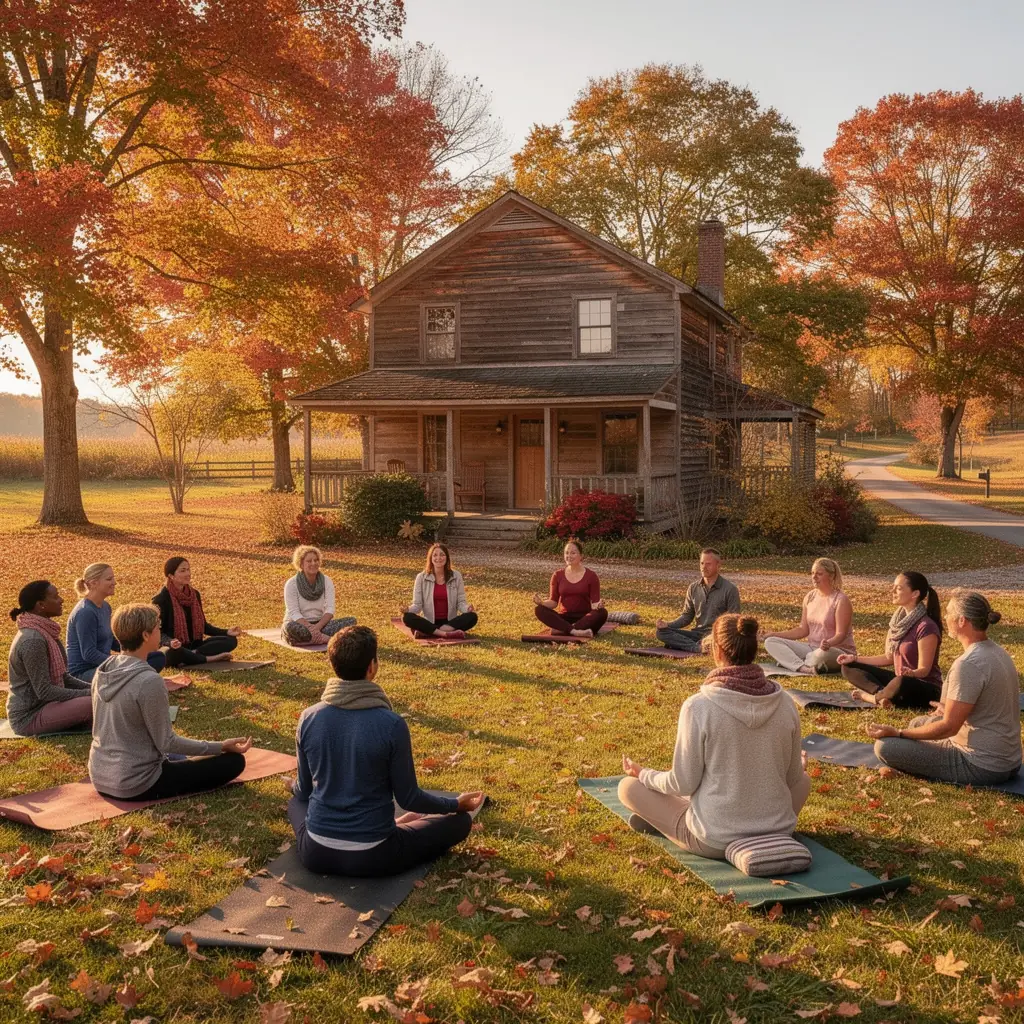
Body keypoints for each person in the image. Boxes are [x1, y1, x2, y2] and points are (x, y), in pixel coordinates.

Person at [287, 625, 483, 877]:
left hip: (315, 853)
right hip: (375, 855)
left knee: (296, 801)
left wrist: (291, 785)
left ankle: (394, 827)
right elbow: (409, 798)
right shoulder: (391, 724)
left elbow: (304, 790)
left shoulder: (308, 717)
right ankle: (397, 828)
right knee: (460, 821)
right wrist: (454, 804)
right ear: (372, 667)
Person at [618, 614, 811, 858]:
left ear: (717, 651)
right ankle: (659, 819)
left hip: (716, 839)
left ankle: (659, 819)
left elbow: (683, 784)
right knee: (804, 779)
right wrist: (799, 766)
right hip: (777, 829)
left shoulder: (699, 706)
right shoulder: (785, 703)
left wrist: (643, 774)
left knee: (628, 787)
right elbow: (794, 777)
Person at [89, 603, 251, 800]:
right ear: (145, 635)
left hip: (100, 774)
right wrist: (220, 746)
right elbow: (166, 742)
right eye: (157, 627)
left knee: (180, 757)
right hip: (137, 782)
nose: (160, 631)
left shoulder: (104, 669)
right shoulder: (148, 681)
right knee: (234, 762)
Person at [868, 591, 1021, 786]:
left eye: (949, 613)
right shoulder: (998, 651)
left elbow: (949, 727)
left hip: (981, 765)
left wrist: (898, 732)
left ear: (962, 621)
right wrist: (945, 708)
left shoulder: (968, 664)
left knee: (885, 747)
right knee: (918, 722)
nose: (945, 617)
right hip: (1009, 760)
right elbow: (986, 707)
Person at [837, 571, 943, 708]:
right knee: (848, 667)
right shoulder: (896, 623)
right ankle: (884, 697)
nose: (892, 591)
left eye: (898, 588)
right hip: (899, 680)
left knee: (900, 682)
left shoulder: (926, 627)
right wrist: (855, 659)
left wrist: (912, 673)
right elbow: (888, 658)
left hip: (923, 686)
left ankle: (872, 697)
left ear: (915, 594)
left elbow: (924, 670)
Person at [6, 581, 92, 736]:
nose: (61, 600)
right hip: (29, 716)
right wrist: (91, 694)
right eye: (55, 596)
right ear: (40, 605)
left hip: (48, 706)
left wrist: (93, 687)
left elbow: (63, 677)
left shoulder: (47, 632)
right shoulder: (33, 640)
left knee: (99, 698)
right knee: (95, 703)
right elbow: (45, 691)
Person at [66, 563, 166, 681]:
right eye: (109, 579)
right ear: (93, 583)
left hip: (105, 666)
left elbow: (112, 640)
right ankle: (138, 678)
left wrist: (136, 650)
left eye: (113, 578)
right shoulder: (85, 612)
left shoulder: (105, 607)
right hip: (85, 673)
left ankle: (138, 677)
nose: (114, 582)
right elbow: (89, 654)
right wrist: (120, 661)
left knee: (157, 657)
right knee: (136, 666)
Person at [763, 558, 856, 674]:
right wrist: (774, 634)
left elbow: (841, 635)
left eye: (819, 574)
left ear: (831, 576)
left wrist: (828, 643)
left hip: (835, 651)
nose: (814, 577)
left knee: (821, 655)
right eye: (812, 573)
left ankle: (793, 661)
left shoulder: (841, 600)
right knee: (771, 642)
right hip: (812, 649)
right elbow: (803, 630)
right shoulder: (810, 597)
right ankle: (803, 667)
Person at [153, 557, 242, 667]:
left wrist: (227, 632)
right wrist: (170, 642)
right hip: (175, 647)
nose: (188, 574)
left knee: (231, 641)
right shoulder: (161, 599)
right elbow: (157, 632)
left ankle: (192, 655)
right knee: (173, 652)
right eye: (182, 571)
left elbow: (204, 626)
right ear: (171, 576)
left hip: (196, 646)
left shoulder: (194, 595)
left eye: (188, 569)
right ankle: (209, 658)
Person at [655, 548, 741, 652]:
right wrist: (667, 625)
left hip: (717, 635)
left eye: (708, 564)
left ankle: (688, 645)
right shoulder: (693, 587)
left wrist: (718, 635)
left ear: (718, 566)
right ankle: (697, 647)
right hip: (697, 634)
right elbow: (686, 616)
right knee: (661, 632)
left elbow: (733, 622)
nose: (703, 567)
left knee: (722, 640)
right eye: (702, 563)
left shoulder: (730, 589)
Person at [532, 539, 608, 638]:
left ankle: (564, 630)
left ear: (581, 556)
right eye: (566, 553)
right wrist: (541, 603)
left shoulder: (591, 576)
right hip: (564, 618)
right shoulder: (557, 575)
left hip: (584, 618)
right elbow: (553, 602)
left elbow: (594, 605)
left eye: (573, 553)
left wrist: (599, 605)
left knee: (602, 613)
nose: (569, 556)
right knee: (539, 610)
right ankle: (575, 631)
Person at [282, 546, 356, 646]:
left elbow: (330, 610)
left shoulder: (327, 581)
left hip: (320, 624)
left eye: (316, 560)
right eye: (309, 561)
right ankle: (325, 638)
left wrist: (316, 628)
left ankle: (306, 640)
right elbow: (294, 613)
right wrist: (310, 628)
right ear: (301, 564)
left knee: (351, 621)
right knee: (290, 628)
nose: (313, 563)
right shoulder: (291, 583)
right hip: (299, 624)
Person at [401, 543, 478, 639]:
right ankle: (445, 634)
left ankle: (429, 632)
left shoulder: (456, 576)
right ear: (430, 558)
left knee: (472, 617)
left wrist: (467, 609)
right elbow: (417, 605)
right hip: (429, 621)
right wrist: (408, 609)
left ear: (447, 557)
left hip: (450, 622)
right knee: (407, 617)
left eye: (442, 554)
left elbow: (461, 602)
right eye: (435, 555)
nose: (439, 558)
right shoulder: (421, 577)